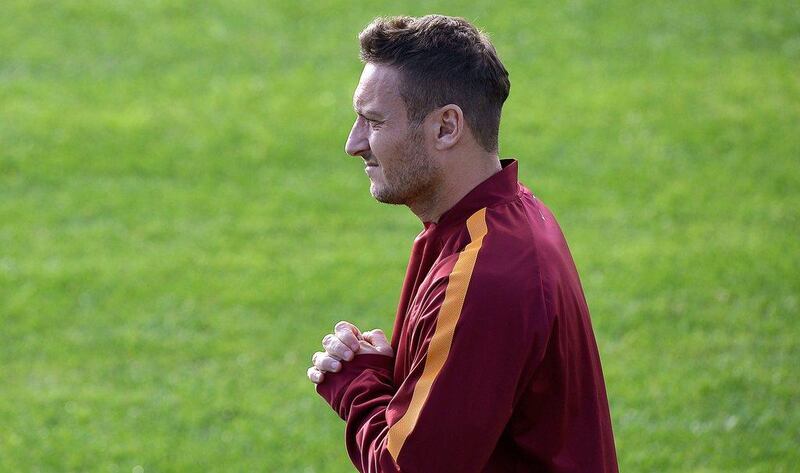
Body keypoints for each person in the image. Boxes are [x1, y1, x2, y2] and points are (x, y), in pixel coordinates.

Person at [306, 14, 618, 472]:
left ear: (447, 127)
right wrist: (399, 378)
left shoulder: (485, 273)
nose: (353, 144)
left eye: (373, 121)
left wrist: (356, 384)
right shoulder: (502, 216)